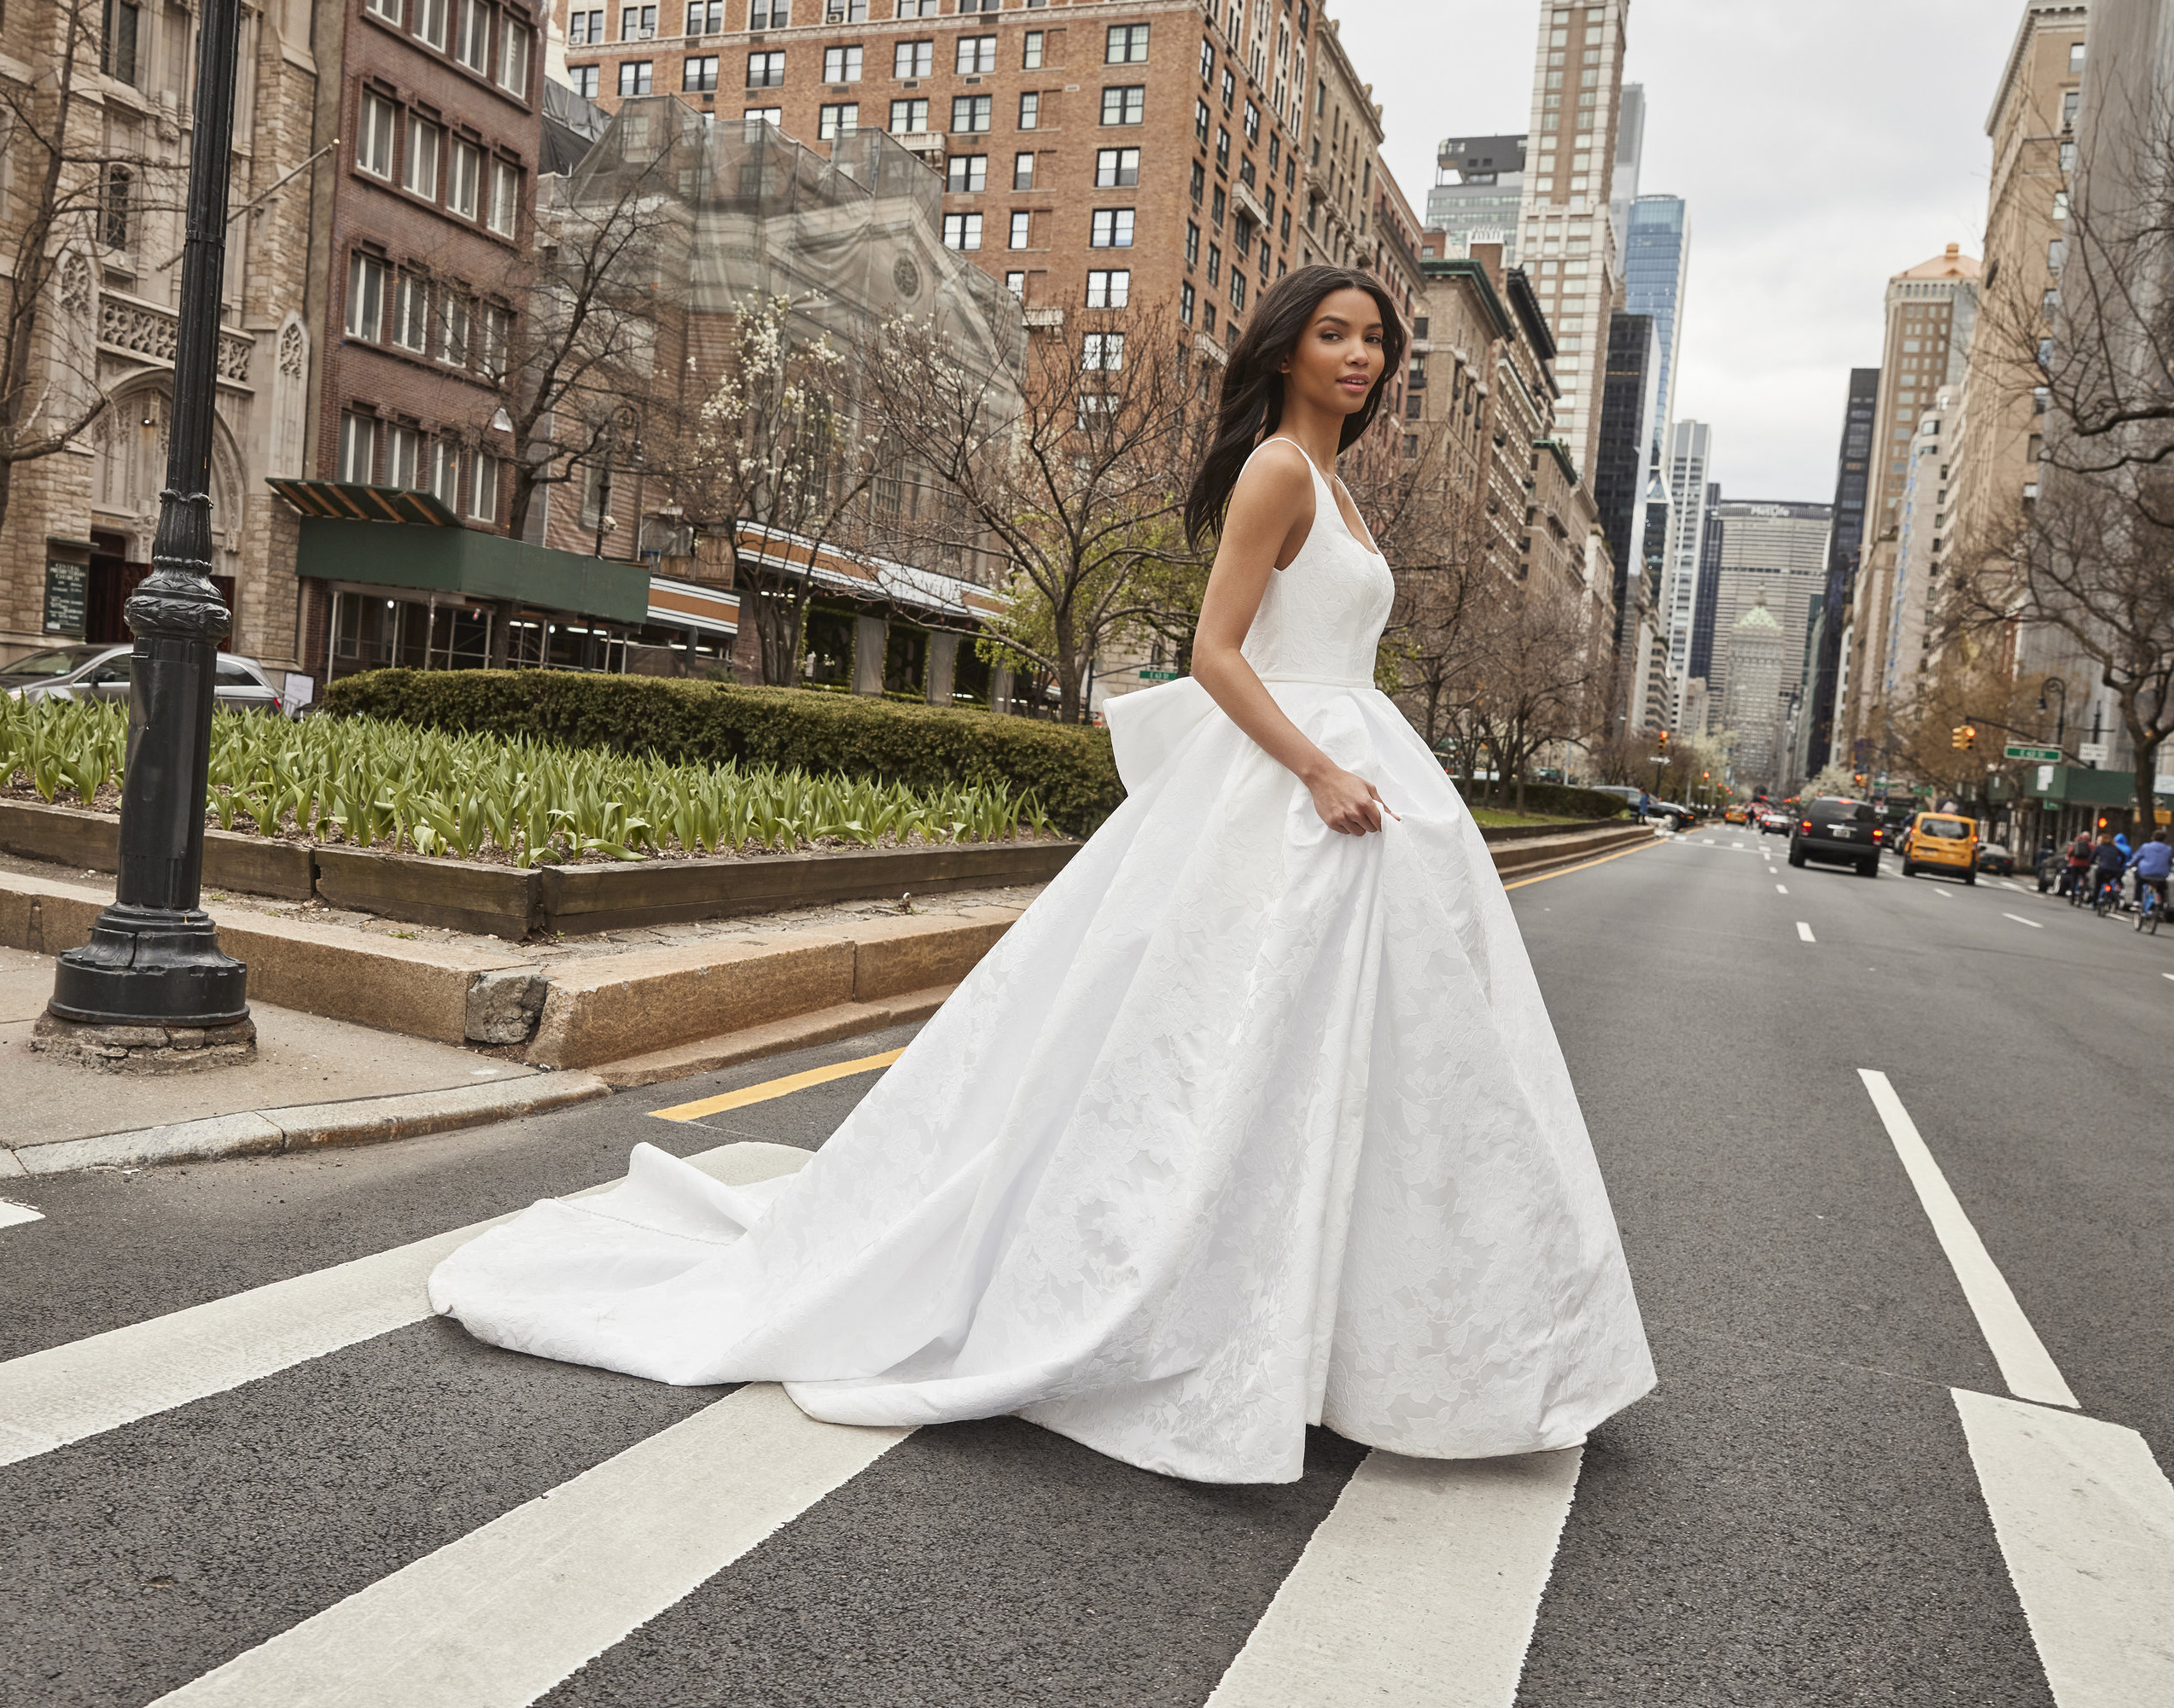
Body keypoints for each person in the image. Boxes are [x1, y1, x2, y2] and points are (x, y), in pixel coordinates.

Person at [428, 266, 1656, 1486]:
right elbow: (1217, 656)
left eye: (1377, 341)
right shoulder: (1280, 472)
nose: (1362, 356)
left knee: (1340, 1066)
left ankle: (1332, 1323)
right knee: (1230, 1055)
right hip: (1297, 788)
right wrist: (1318, 772)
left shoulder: (1335, 484)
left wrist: (1346, 765)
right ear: (1286, 352)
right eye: (1335, 335)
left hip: (1353, 782)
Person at [2130, 831, 2171, 927]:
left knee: (2139, 883)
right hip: (2161, 876)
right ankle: (2160, 910)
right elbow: (2169, 862)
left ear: (2153, 837)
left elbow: (2137, 858)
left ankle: (2137, 902)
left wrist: (2130, 864)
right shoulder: (2168, 849)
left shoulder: (2146, 846)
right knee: (2162, 890)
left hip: (2145, 873)